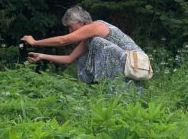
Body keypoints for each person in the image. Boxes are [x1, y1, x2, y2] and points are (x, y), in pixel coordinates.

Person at [23, 6, 152, 85]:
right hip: (125, 63)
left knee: (97, 43)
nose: (70, 31)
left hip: (135, 62)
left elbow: (64, 40)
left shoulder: (96, 26)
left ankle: (106, 87)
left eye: (70, 26)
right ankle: (90, 88)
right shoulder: (89, 39)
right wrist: (42, 56)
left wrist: (35, 42)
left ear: (80, 22)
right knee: (83, 56)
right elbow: (69, 58)